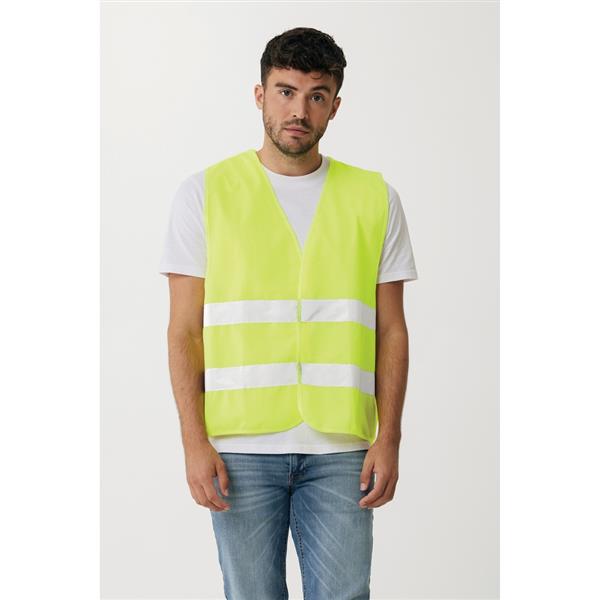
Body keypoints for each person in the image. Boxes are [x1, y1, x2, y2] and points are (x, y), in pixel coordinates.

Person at [159, 27, 418, 600]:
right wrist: (193, 441)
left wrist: (390, 437)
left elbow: (393, 330)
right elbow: (183, 331)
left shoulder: (375, 198)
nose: (299, 110)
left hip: (342, 449)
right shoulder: (204, 193)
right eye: (285, 91)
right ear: (260, 95)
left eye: (316, 95)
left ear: (335, 106)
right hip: (240, 449)